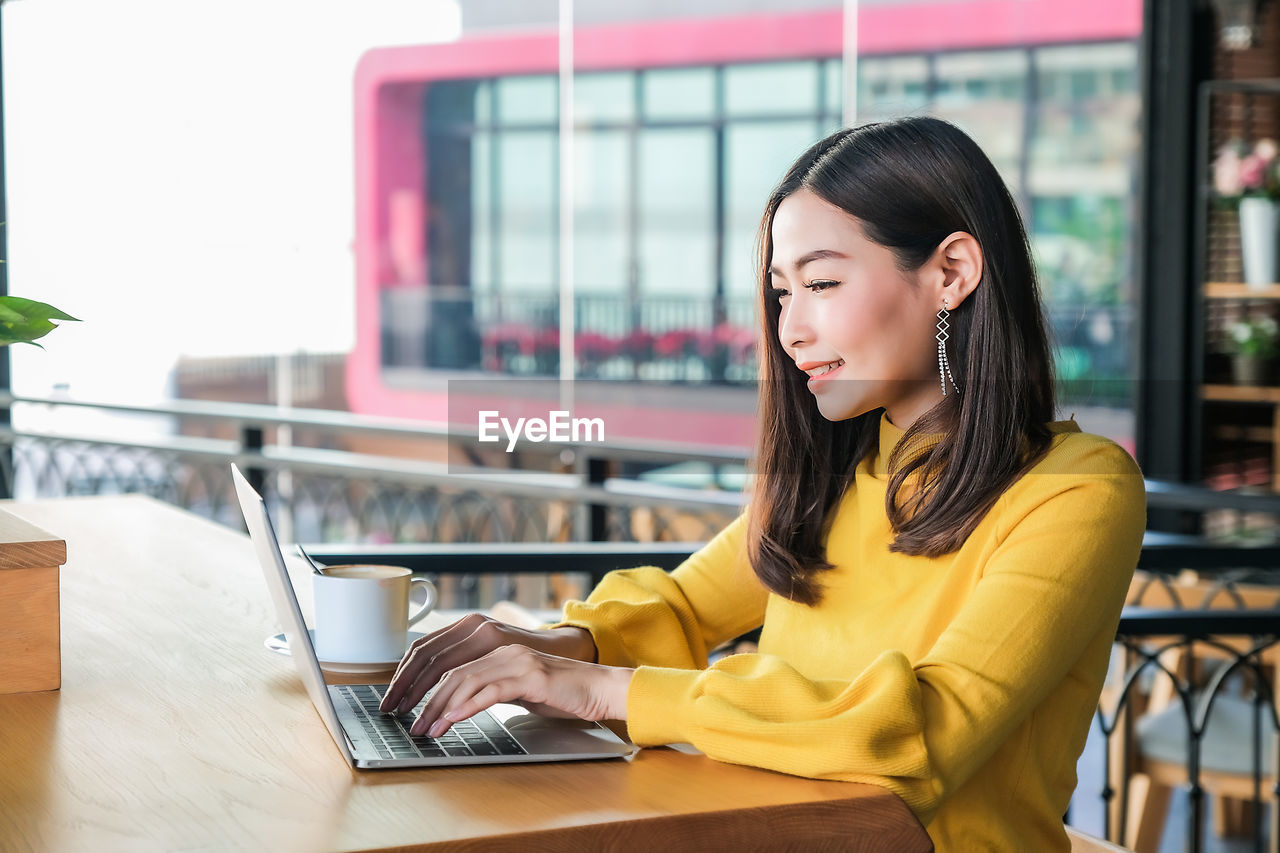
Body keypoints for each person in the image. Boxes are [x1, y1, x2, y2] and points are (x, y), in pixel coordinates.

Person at [380, 116, 1146, 851]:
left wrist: (599, 688)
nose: (790, 330)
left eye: (820, 283)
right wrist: (548, 645)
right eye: (782, 292)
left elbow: (924, 734)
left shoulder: (1077, 491)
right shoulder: (837, 474)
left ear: (951, 272)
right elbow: (683, 604)